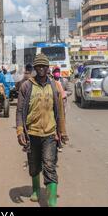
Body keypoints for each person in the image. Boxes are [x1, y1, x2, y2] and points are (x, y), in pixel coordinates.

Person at [16, 54, 68, 207]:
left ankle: (52, 201)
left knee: (49, 164)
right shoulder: (27, 86)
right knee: (33, 164)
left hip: (50, 133)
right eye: (38, 66)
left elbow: (59, 111)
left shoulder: (54, 86)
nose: (41, 69)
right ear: (35, 68)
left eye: (44, 66)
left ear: (48, 68)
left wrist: (62, 132)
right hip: (31, 133)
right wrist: (20, 131)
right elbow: (19, 111)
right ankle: (36, 189)